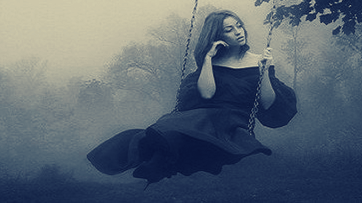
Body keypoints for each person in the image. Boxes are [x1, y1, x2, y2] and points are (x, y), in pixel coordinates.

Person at [86, 10, 297, 184]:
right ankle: (150, 158)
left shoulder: (259, 60)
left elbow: (269, 104)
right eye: (229, 29)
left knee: (185, 128)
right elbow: (206, 93)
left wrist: (265, 71)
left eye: (239, 26)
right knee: (168, 126)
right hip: (202, 115)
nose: (238, 32)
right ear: (219, 37)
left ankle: (159, 161)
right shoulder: (213, 63)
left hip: (231, 119)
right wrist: (207, 59)